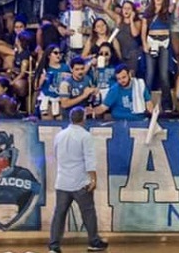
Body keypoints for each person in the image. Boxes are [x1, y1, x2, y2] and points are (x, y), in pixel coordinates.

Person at [48, 106, 108, 253]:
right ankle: (94, 241)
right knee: (88, 212)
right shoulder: (85, 136)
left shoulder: (60, 135)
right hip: (80, 181)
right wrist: (93, 179)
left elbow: (56, 155)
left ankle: (54, 246)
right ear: (83, 119)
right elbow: (89, 159)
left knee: (59, 214)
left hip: (62, 181)